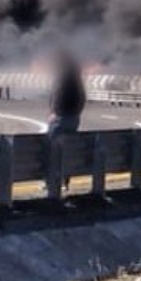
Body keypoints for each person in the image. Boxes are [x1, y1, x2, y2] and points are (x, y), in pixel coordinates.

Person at [47, 50, 87, 192]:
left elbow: (57, 95)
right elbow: (82, 99)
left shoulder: (63, 77)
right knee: (68, 149)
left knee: (52, 149)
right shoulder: (77, 79)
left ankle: (51, 181)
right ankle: (65, 181)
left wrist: (54, 112)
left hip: (61, 118)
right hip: (74, 118)